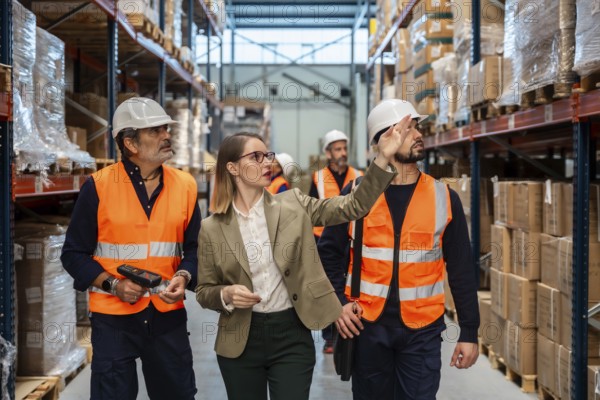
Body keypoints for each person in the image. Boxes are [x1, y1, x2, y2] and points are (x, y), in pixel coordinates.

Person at [195, 121, 411, 400]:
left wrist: (383, 158)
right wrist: (225, 293)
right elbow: (203, 292)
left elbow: (353, 205)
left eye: (268, 155)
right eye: (256, 157)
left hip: (291, 335)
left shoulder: (293, 204)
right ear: (233, 168)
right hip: (240, 340)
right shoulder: (212, 228)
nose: (267, 163)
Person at [318, 99, 480, 400]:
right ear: (383, 141)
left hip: (423, 332)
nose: (418, 134)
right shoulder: (355, 195)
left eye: (417, 127)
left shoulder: (444, 197)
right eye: (407, 129)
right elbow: (328, 253)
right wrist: (337, 303)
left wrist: (469, 332)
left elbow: (461, 269)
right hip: (367, 328)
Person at [61, 97, 200, 400]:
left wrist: (186, 276)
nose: (166, 135)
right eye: (155, 131)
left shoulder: (186, 185)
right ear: (130, 143)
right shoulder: (98, 186)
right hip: (114, 320)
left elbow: (195, 248)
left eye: (165, 128)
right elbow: (73, 254)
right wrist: (113, 285)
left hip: (167, 316)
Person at [308, 129, 363, 353]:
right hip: (322, 238)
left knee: (345, 286)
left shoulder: (358, 175)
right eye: (337, 149)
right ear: (328, 153)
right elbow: (310, 209)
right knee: (326, 286)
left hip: (350, 239)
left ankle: (346, 328)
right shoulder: (318, 177)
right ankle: (329, 337)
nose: (342, 153)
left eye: (344, 148)